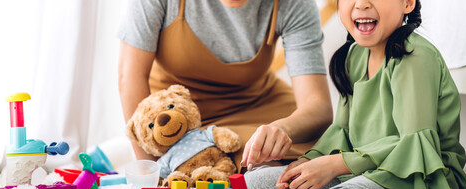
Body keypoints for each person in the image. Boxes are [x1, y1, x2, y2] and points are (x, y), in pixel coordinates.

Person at [244, 0, 466, 189]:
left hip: (419, 175)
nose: (361, 4)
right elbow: (342, 131)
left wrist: (336, 165)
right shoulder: (353, 56)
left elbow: (414, 143)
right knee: (252, 183)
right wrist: (308, 162)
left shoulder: (414, 57)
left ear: (407, 3)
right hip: (365, 170)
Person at [117, 0, 333, 171]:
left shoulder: (294, 4)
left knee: (332, 145)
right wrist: (150, 167)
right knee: (243, 161)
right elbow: (130, 77)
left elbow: (318, 106)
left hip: (259, 103)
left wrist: (283, 129)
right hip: (179, 117)